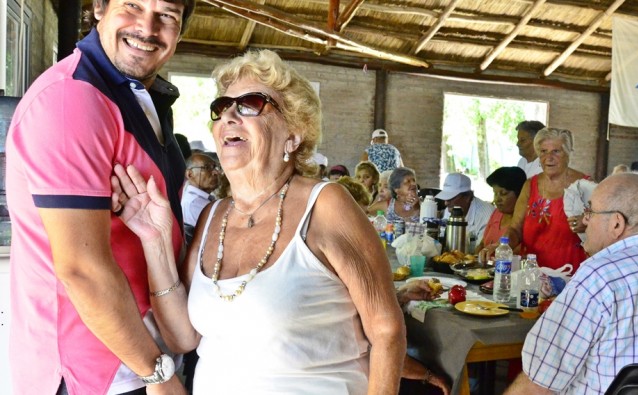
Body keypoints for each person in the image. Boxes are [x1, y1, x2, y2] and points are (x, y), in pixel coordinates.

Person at [111, 49, 406, 393]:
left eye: (250, 103)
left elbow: (387, 331)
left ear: (293, 135)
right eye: (221, 108)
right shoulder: (213, 216)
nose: (229, 116)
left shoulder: (326, 205)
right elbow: (182, 337)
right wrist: (156, 239)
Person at [6, 1, 196, 393]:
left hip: (144, 356)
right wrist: (157, 375)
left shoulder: (138, 97)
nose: (147, 28)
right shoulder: (72, 100)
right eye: (133, 6)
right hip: (97, 374)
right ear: (98, 8)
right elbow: (82, 270)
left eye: (167, 16)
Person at [505, 173, 638, 394]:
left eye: (589, 211)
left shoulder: (599, 276)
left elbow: (537, 384)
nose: (585, 220)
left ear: (617, 223)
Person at [505, 128, 589, 271]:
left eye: (556, 151)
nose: (549, 157)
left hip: (570, 275)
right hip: (531, 275)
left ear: (568, 154)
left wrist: (587, 223)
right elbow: (515, 229)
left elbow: (603, 228)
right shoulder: (530, 185)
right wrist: (503, 245)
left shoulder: (585, 185)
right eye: (543, 151)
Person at [437, 173, 495, 251]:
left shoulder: (486, 216)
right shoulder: (452, 209)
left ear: (467, 197)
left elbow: (480, 251)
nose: (446, 203)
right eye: (445, 198)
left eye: (450, 198)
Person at [476, 167, 526, 254]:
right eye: (495, 193)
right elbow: (482, 244)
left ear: (519, 193)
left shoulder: (526, 220)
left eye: (503, 193)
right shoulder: (496, 214)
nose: (497, 199)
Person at [182, 153, 221, 229]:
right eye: (207, 167)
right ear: (190, 174)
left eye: (215, 167)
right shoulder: (195, 203)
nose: (216, 172)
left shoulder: (195, 199)